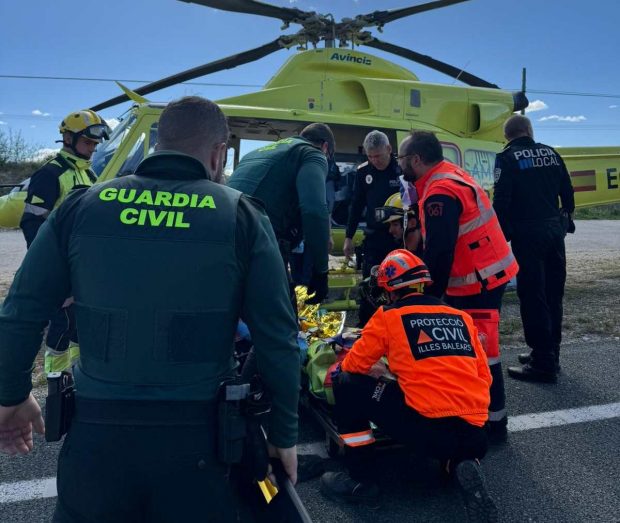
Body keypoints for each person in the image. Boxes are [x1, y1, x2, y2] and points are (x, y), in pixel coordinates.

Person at [0, 96, 300, 522]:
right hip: (199, 447)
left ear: (159, 142)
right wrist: (284, 436)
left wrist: (11, 394)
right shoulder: (242, 216)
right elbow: (278, 339)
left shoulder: (83, 205)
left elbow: (20, 312)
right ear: (218, 153)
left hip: (96, 439)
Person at [320, 250, 497, 522]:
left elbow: (353, 365)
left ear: (391, 290)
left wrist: (384, 373)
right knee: (449, 428)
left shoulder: (389, 316)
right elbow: (485, 377)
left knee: (344, 382)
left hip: (425, 429)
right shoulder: (460, 317)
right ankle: (459, 463)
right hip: (476, 433)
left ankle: (360, 480)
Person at [397, 131, 519, 442]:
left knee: (482, 351)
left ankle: (494, 424)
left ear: (416, 160)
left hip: (479, 279)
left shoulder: (440, 191)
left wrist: (429, 297)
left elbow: (440, 251)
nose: (400, 165)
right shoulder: (446, 175)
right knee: (471, 348)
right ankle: (476, 413)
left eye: (402, 159)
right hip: (483, 272)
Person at [20, 109, 110, 374]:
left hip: (82, 268)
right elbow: (31, 224)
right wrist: (54, 274)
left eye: (95, 144)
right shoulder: (50, 174)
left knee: (80, 326)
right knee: (61, 327)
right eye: (87, 142)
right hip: (60, 269)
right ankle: (55, 379)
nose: (92, 149)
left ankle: (77, 375)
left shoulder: (90, 175)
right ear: (68, 138)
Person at [493, 114, 575, 383]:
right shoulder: (551, 153)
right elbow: (568, 191)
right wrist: (566, 219)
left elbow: (501, 202)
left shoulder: (506, 159)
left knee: (532, 295)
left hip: (528, 234)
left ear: (508, 136)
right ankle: (551, 353)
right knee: (553, 293)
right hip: (554, 231)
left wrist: (501, 237)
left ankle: (542, 363)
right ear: (529, 130)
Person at [228, 123, 335, 307]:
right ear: (325, 147)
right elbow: (314, 210)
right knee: (282, 320)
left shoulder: (258, 152)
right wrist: (321, 271)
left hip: (224, 237)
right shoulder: (312, 153)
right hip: (257, 240)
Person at [343, 130, 401, 326]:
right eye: (370, 156)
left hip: (398, 239)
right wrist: (348, 237)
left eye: (378, 156)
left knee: (398, 284)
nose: (375, 160)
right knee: (370, 284)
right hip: (374, 238)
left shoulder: (401, 169)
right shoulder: (363, 172)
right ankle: (366, 326)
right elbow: (356, 205)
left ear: (389, 149)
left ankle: (398, 324)